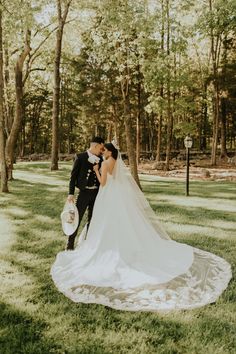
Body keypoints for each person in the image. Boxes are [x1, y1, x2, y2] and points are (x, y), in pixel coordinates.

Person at [51, 141, 232, 311]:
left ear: (108, 151)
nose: (102, 152)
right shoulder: (113, 161)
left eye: (104, 150)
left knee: (103, 222)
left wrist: (98, 169)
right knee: (113, 221)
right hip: (111, 197)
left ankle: (103, 245)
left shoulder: (105, 162)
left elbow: (104, 182)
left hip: (106, 196)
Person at [66, 136, 104, 250]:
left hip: (96, 193)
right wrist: (71, 193)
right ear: (95, 145)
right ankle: (69, 244)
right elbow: (73, 177)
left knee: (92, 219)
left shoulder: (101, 160)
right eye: (100, 148)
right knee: (77, 217)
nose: (101, 151)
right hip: (83, 193)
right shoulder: (80, 157)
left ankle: (88, 244)